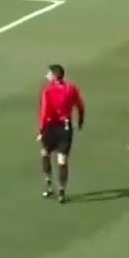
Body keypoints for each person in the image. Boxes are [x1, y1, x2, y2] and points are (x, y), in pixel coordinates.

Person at [37, 65, 84, 201]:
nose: (46, 75)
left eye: (48, 73)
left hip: (51, 127)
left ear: (53, 76)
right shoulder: (71, 89)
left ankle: (49, 186)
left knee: (45, 153)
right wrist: (80, 120)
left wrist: (41, 130)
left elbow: (45, 112)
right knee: (62, 160)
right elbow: (80, 106)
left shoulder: (47, 91)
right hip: (65, 128)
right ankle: (62, 191)